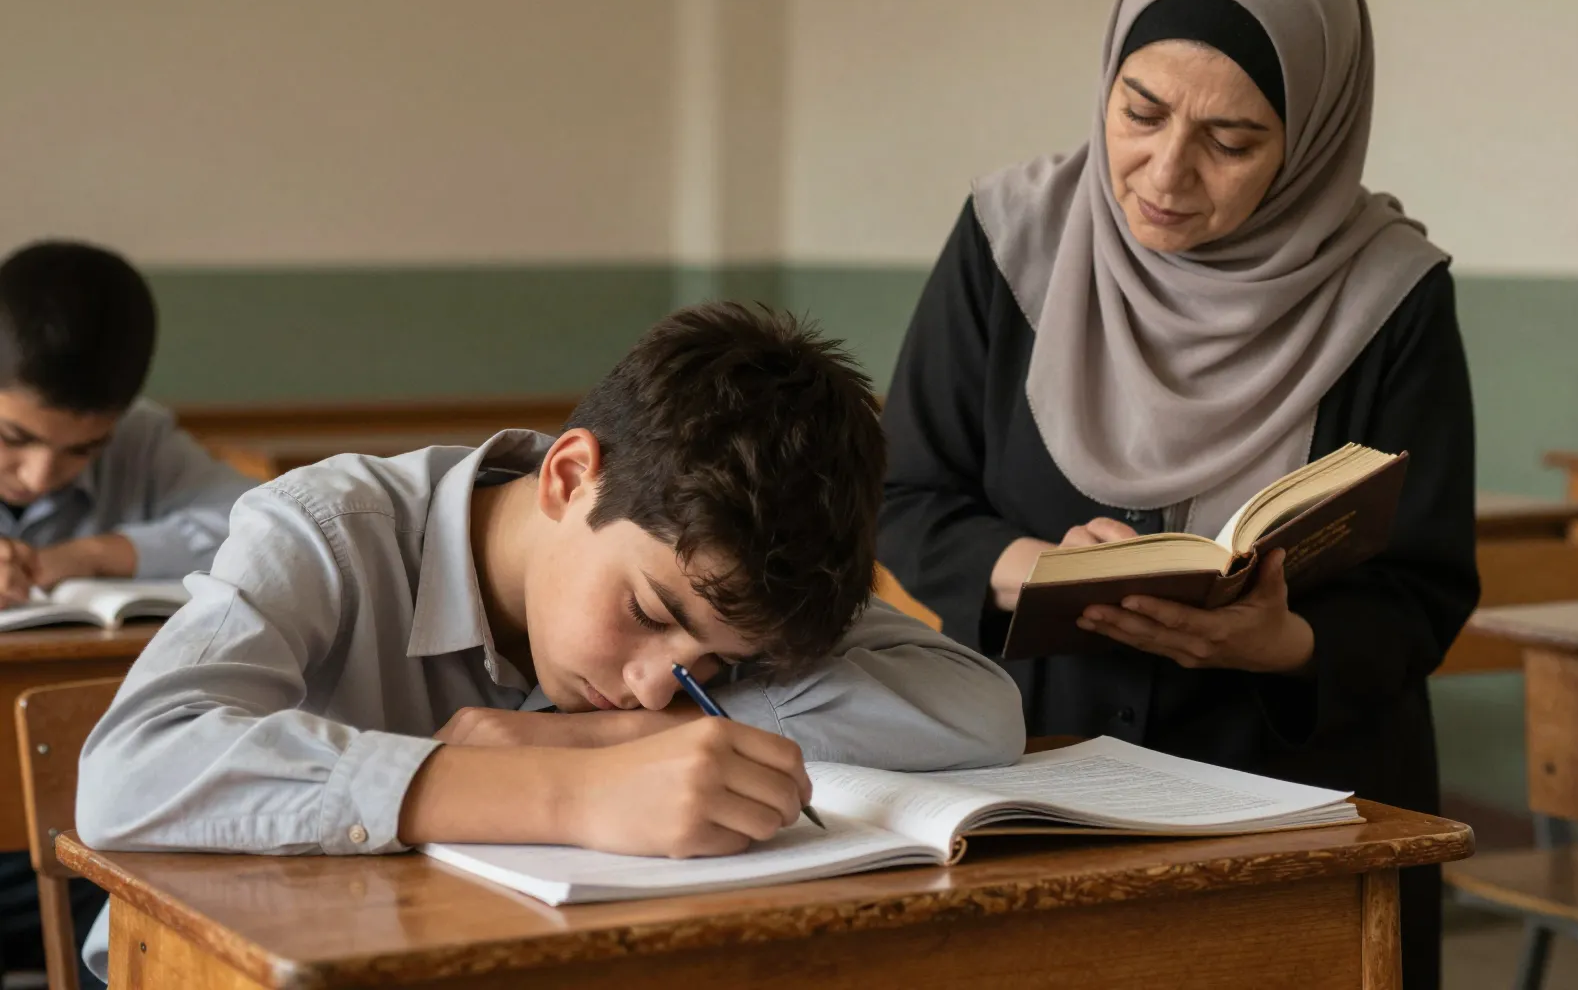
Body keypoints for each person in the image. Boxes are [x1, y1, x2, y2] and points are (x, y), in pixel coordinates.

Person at [877, 0, 1478, 988]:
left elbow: (1424, 586)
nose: (1164, 170)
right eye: (1138, 111)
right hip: (1039, 778)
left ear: (1314, 135)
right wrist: (1026, 571)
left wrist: (1283, 645)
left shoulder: (1389, 294)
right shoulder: (1009, 241)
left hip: (1301, 801)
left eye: (1233, 141)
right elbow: (901, 492)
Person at [77, 302, 1026, 982]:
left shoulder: (736, 579)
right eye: (653, 616)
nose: (662, 691)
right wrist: (560, 790)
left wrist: (591, 739)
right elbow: (131, 770)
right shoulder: (327, 528)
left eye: (720, 667)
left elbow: (981, 704)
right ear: (570, 479)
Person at [0, 239, 256, 981]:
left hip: (79, 839)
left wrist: (79, 556)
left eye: (82, 451)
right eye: (13, 438)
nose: (41, 475)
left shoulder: (142, 441)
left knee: (163, 900)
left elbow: (251, 519)